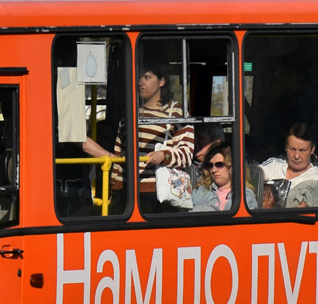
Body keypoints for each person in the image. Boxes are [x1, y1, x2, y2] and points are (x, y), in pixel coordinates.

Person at [84, 57, 194, 211]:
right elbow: (119, 150)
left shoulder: (177, 111)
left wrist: (163, 156)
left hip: (157, 192)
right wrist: (114, 186)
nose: (141, 82)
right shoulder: (130, 112)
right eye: (138, 77)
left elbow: (187, 154)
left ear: (162, 81)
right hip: (125, 189)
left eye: (147, 77)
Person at [257, 123, 318, 208]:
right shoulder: (274, 164)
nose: (296, 156)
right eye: (292, 149)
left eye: (302, 150)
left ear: (312, 149)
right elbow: (252, 176)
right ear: (286, 147)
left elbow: (300, 211)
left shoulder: (315, 179)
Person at [191, 142, 257, 212]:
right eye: (211, 165)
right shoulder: (202, 190)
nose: (214, 170)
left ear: (232, 167)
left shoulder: (245, 195)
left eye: (219, 164)